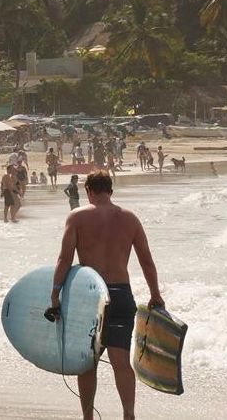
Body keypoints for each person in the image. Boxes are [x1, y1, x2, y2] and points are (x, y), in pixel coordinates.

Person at [48, 170, 164, 420]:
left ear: (89, 190)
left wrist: (55, 295)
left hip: (91, 297)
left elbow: (64, 259)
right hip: (122, 295)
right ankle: (129, 414)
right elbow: (147, 261)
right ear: (111, 191)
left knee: (87, 361)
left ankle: (88, 417)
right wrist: (156, 294)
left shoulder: (77, 217)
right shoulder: (130, 218)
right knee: (120, 360)